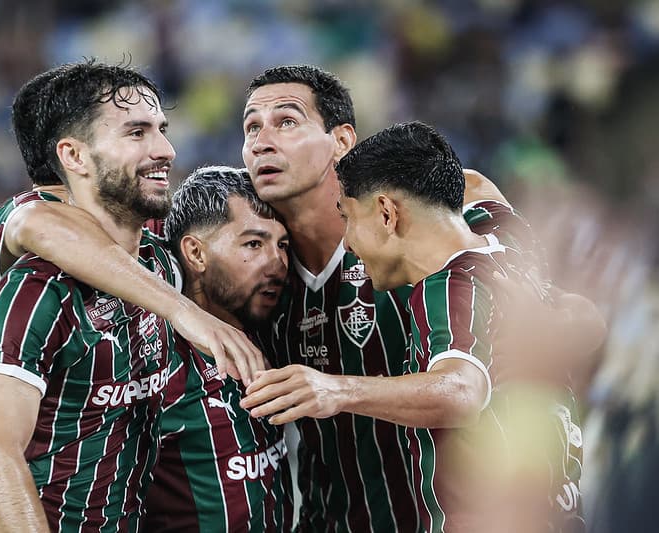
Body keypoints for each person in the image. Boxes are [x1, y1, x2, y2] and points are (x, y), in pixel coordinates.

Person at [0, 63, 263, 532]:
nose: (166, 150)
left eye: (161, 130)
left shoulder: (155, 256)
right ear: (71, 157)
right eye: (136, 132)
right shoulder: (33, 266)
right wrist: (184, 312)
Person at [247, 121, 591, 532]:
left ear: (388, 214)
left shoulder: (448, 288)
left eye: (349, 219)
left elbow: (461, 392)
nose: (350, 245)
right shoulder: (502, 232)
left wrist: (335, 388)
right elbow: (475, 181)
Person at [240, 64, 419, 531]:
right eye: (251, 127)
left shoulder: (409, 228)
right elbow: (35, 222)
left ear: (341, 141)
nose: (262, 141)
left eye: (287, 121)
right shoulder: (253, 273)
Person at [143, 165, 294, 532]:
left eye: (283, 245)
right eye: (254, 244)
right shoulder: (152, 355)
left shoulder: (273, 328)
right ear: (195, 254)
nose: (277, 264)